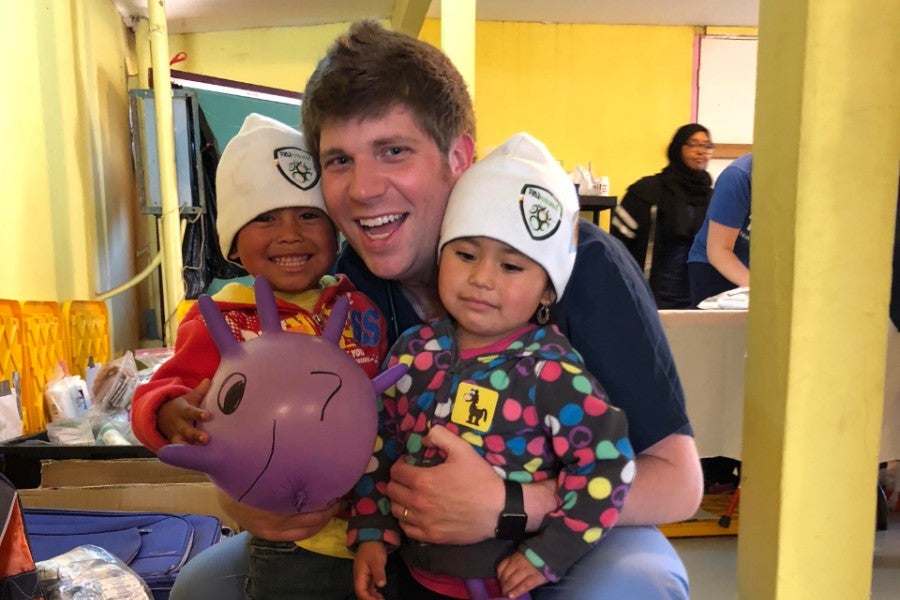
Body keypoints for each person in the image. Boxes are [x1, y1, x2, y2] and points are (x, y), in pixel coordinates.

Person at [173, 20, 703, 600]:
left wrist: (511, 507)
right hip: (398, 536)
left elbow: (679, 484)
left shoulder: (574, 261)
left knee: (636, 581)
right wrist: (246, 500)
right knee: (204, 586)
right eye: (339, 161)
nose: (363, 189)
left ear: (459, 156)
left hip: (552, 538)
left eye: (393, 151)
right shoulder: (344, 289)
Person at [350, 133, 635, 600]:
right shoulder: (410, 352)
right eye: (465, 255)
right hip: (407, 577)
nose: (482, 278)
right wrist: (371, 532)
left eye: (511, 267)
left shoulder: (552, 372)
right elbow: (379, 445)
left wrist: (550, 553)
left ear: (548, 291)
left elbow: (608, 465)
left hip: (500, 586)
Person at [130, 113, 391, 599]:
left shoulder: (361, 304)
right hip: (292, 540)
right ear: (232, 240)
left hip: (378, 527)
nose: (290, 233)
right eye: (265, 217)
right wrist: (170, 412)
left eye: (309, 214)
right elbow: (161, 389)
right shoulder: (224, 316)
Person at [610, 123, 714, 309]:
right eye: (692, 144)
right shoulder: (646, 191)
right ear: (677, 147)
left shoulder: (713, 197)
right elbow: (617, 246)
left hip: (698, 298)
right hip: (652, 293)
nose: (700, 151)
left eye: (706, 146)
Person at [687, 153, 753, 307]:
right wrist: (761, 292)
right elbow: (719, 250)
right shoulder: (738, 176)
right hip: (714, 266)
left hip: (755, 266)